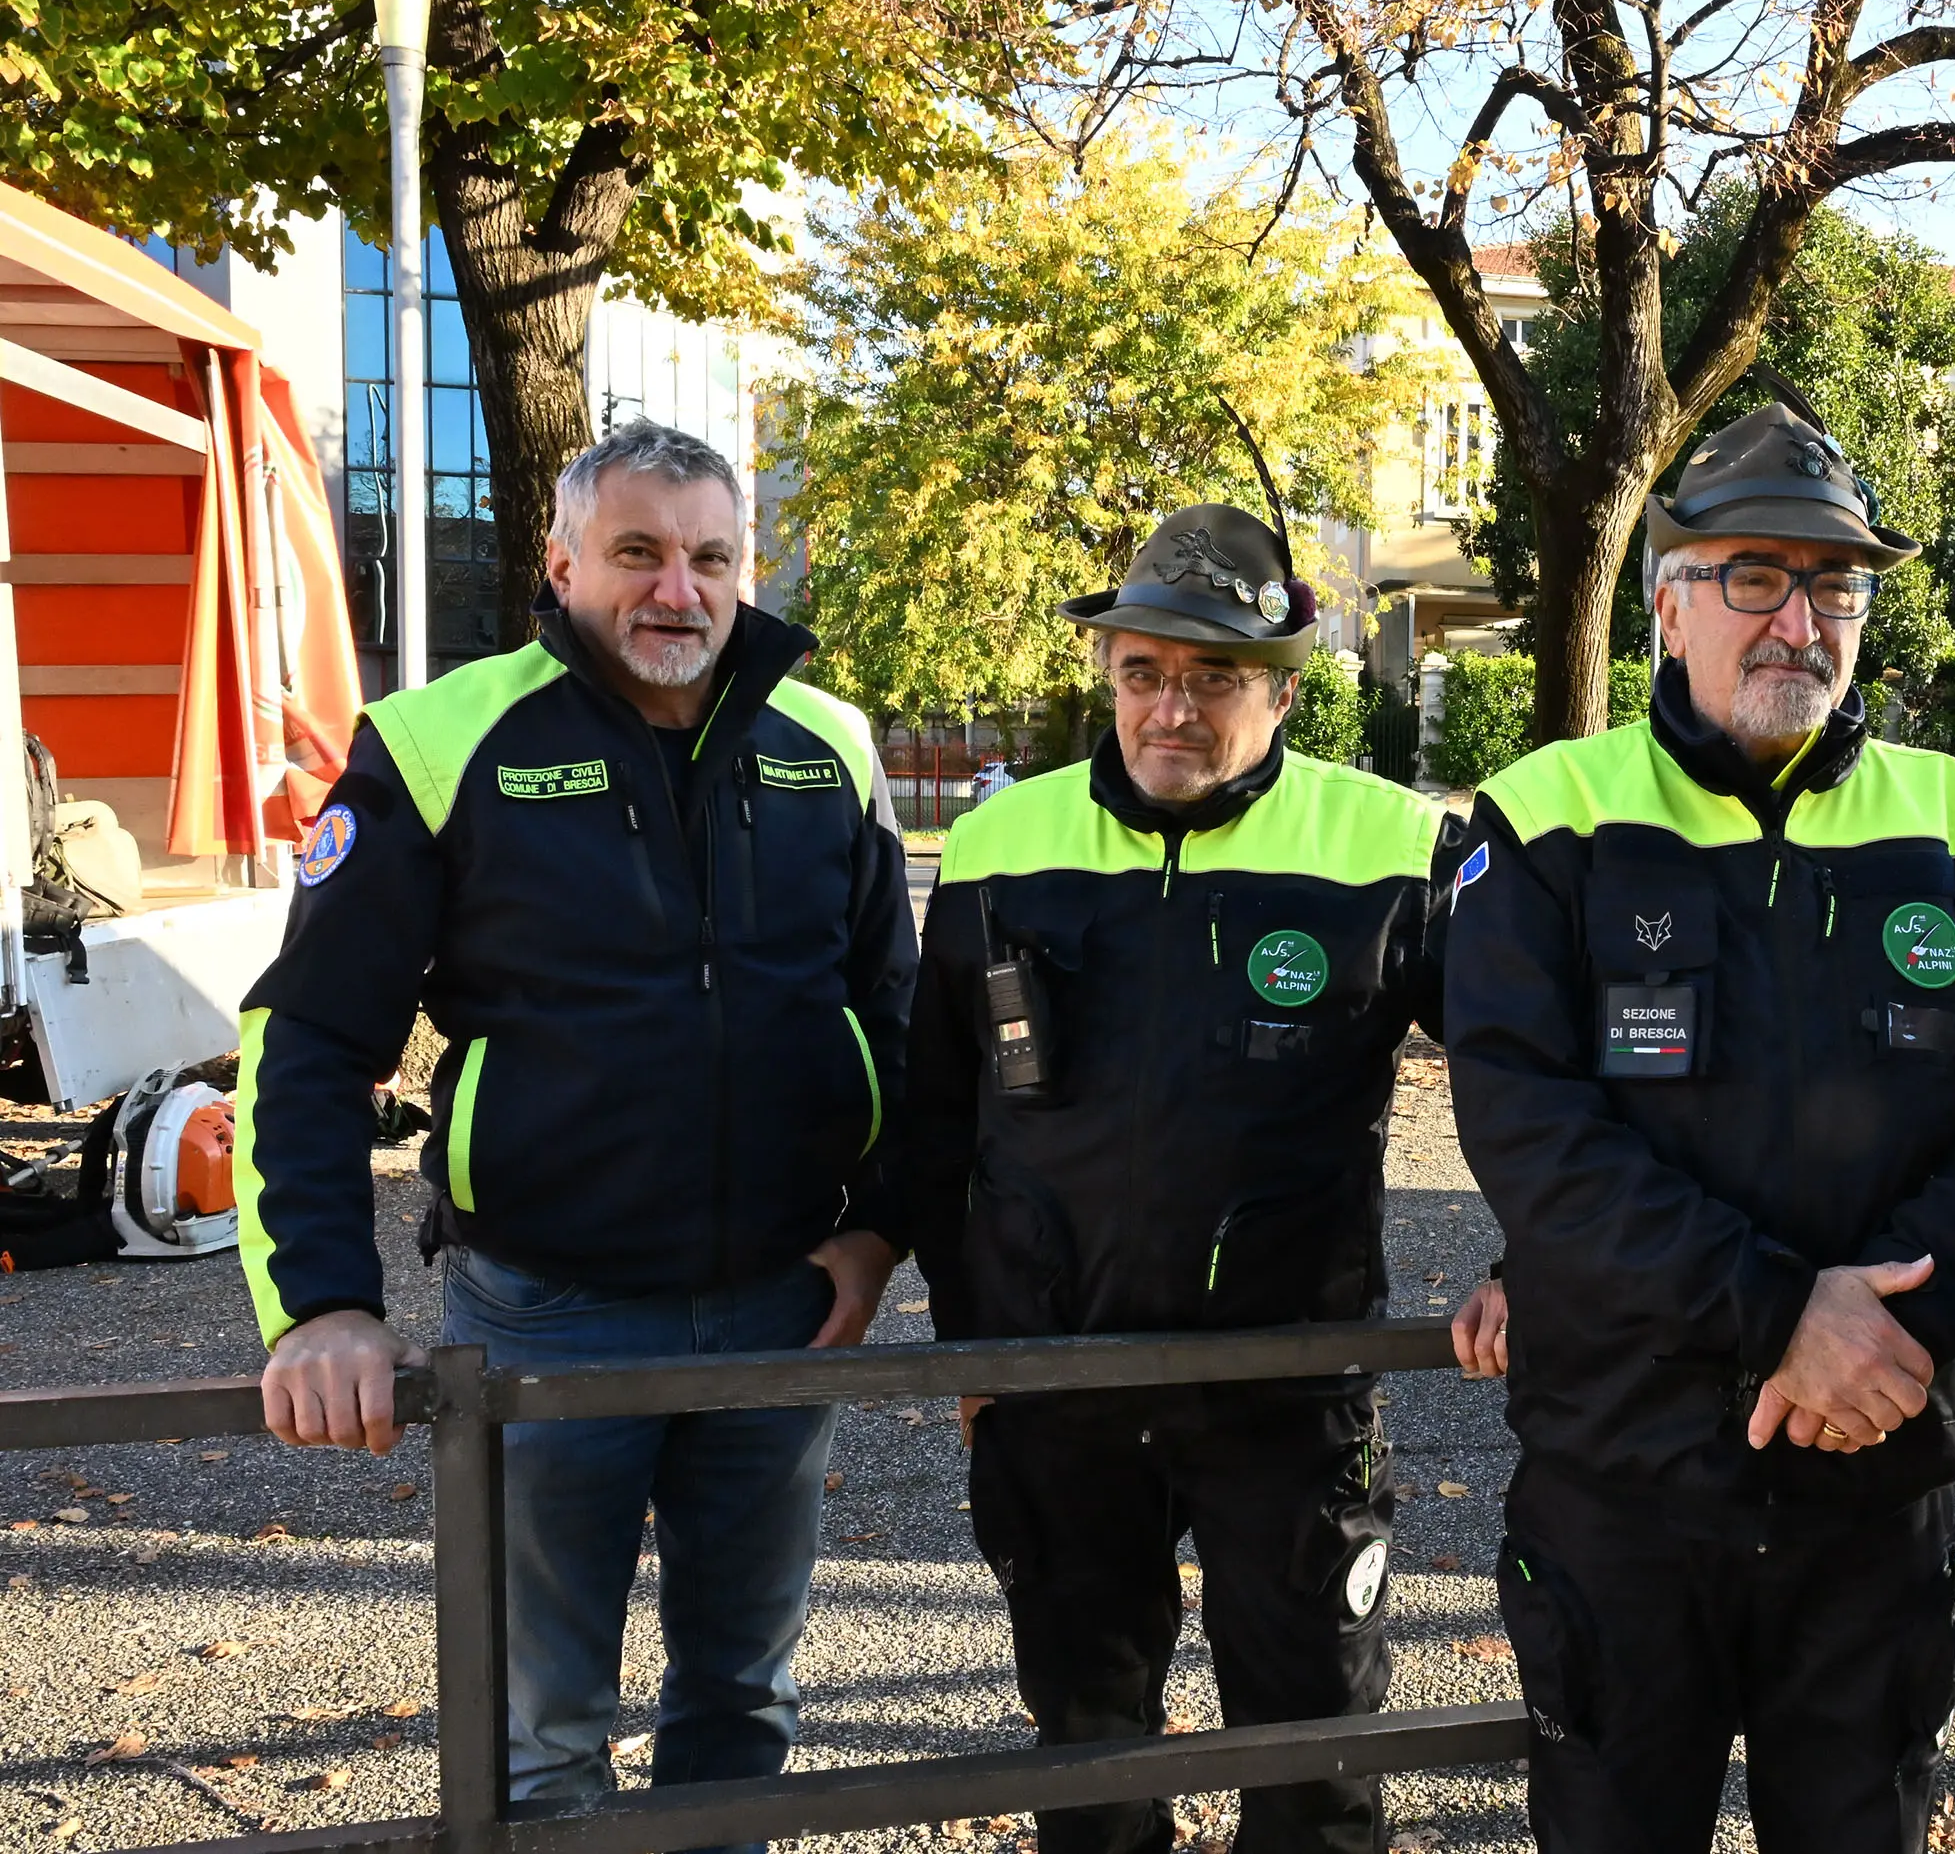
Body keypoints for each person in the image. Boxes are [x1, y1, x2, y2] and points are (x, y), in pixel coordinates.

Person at [240, 419, 915, 1847]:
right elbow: (308, 1040)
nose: (680, 589)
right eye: (639, 554)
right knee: (542, 1727)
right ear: (561, 564)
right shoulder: (437, 740)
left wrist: (875, 1230)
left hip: (779, 1312)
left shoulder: (829, 745)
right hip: (547, 1314)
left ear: (748, 567)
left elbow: (902, 1025)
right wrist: (322, 1307)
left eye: (711, 557)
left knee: (743, 1700)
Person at [1442, 400, 1955, 1854]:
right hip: (1629, 1491)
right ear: (1670, 603)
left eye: (1835, 583)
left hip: (1880, 1482)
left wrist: (1884, 1337)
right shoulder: (1546, 820)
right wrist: (1781, 1314)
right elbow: (1531, 1132)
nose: (1798, 618)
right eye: (1754, 576)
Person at [896, 504, 1453, 1854]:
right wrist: (974, 1348)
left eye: (1215, 678)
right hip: (1058, 1388)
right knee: (1088, 1755)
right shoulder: (998, 845)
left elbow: (1528, 1087)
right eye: (1143, 672)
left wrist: (1538, 1264)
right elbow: (931, 1121)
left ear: (1282, 687)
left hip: (1287, 1386)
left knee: (1314, 1749)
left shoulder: (1385, 845)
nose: (1172, 709)